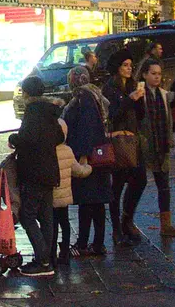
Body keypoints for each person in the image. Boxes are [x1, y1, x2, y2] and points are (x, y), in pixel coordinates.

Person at [8, 75, 62, 276]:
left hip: (34, 171)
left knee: (27, 215)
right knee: (46, 216)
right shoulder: (50, 111)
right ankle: (48, 259)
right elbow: (60, 136)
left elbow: (28, 139)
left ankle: (43, 260)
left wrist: (14, 138)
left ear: (27, 93)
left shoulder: (33, 112)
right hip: (49, 170)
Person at [127, 56, 175, 240]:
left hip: (162, 144)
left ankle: (166, 224)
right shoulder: (139, 94)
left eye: (159, 74)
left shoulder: (164, 94)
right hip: (144, 145)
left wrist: (170, 139)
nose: (157, 77)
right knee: (138, 184)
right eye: (153, 74)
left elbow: (168, 119)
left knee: (164, 186)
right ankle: (127, 219)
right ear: (144, 74)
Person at [62, 65, 113, 256]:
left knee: (86, 201)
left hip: (88, 159)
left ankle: (83, 243)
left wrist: (83, 155)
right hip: (100, 156)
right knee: (98, 202)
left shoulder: (83, 99)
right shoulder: (95, 94)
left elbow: (86, 127)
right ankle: (98, 243)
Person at [104, 52, 144, 245]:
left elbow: (140, 114)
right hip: (118, 140)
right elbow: (113, 114)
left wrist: (139, 99)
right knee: (117, 186)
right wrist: (130, 99)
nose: (129, 68)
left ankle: (127, 219)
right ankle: (117, 230)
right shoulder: (110, 88)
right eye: (125, 65)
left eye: (131, 65)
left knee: (140, 179)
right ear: (117, 67)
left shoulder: (132, 84)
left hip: (133, 138)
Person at [52, 118, 92, 260]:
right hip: (65, 196)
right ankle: (64, 251)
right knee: (65, 223)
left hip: (51, 196)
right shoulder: (67, 151)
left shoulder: (47, 151)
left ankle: (51, 252)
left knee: (52, 224)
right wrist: (88, 166)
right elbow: (79, 172)